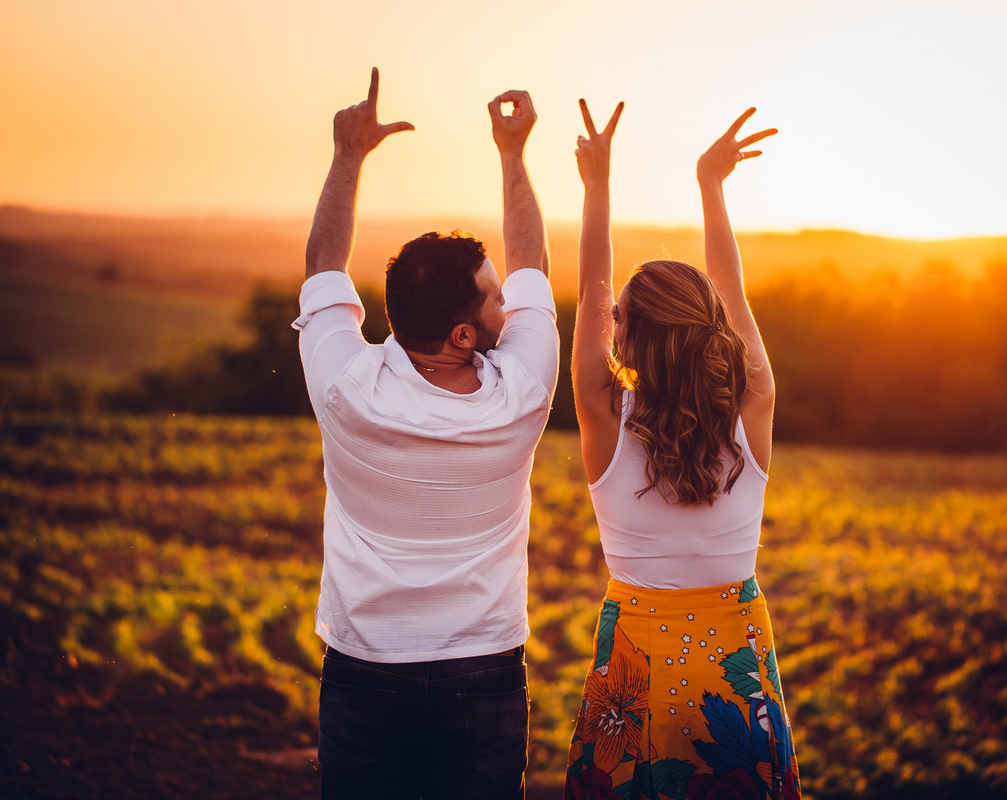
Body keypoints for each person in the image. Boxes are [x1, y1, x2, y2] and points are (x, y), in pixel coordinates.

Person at [293, 68, 559, 800]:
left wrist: (349, 154)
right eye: (495, 294)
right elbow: (536, 264)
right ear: (465, 333)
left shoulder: (344, 388)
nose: (512, 299)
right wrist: (513, 153)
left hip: (363, 670)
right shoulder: (524, 395)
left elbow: (322, 266)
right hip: (486, 673)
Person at [564, 99, 800, 799]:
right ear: (712, 329)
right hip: (738, 665)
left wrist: (598, 185)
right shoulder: (751, 407)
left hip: (635, 667)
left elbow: (588, 293)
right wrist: (710, 184)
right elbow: (730, 288)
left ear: (623, 333)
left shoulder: (603, 413)